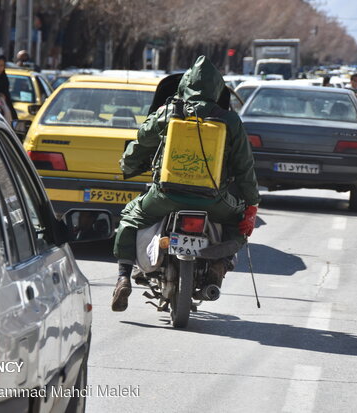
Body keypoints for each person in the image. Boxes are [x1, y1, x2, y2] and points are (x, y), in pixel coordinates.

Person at [111, 55, 261, 312]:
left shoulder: (167, 113)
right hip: (214, 200)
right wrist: (251, 204)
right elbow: (244, 167)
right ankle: (217, 265)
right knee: (237, 227)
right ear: (217, 89)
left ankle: (124, 276)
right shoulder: (230, 121)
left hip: (165, 196)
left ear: (184, 86)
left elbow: (140, 144)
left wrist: (128, 165)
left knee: (129, 217)